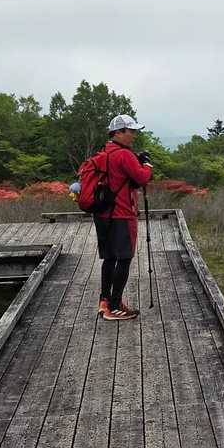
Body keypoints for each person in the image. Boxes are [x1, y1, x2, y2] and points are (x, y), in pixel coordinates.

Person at [92, 114, 153, 320]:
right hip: (121, 213)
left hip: (103, 214)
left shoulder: (104, 152)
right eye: (131, 131)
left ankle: (104, 301)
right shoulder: (124, 155)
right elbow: (142, 178)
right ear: (118, 132)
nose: (134, 135)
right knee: (124, 258)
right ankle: (115, 306)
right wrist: (147, 164)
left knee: (110, 258)